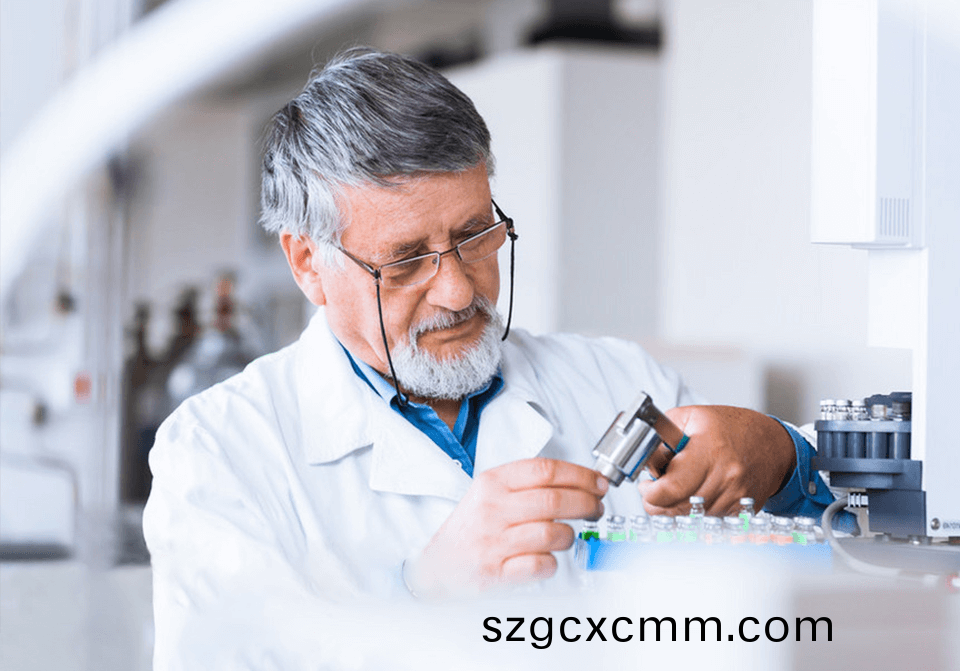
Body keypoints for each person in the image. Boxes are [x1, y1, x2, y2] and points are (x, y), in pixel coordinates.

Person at [143, 47, 843, 666]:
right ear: (307, 263)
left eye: (476, 235)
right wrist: (420, 595)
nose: (457, 289)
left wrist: (782, 459)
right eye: (406, 260)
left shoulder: (620, 381)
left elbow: (814, 611)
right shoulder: (221, 452)